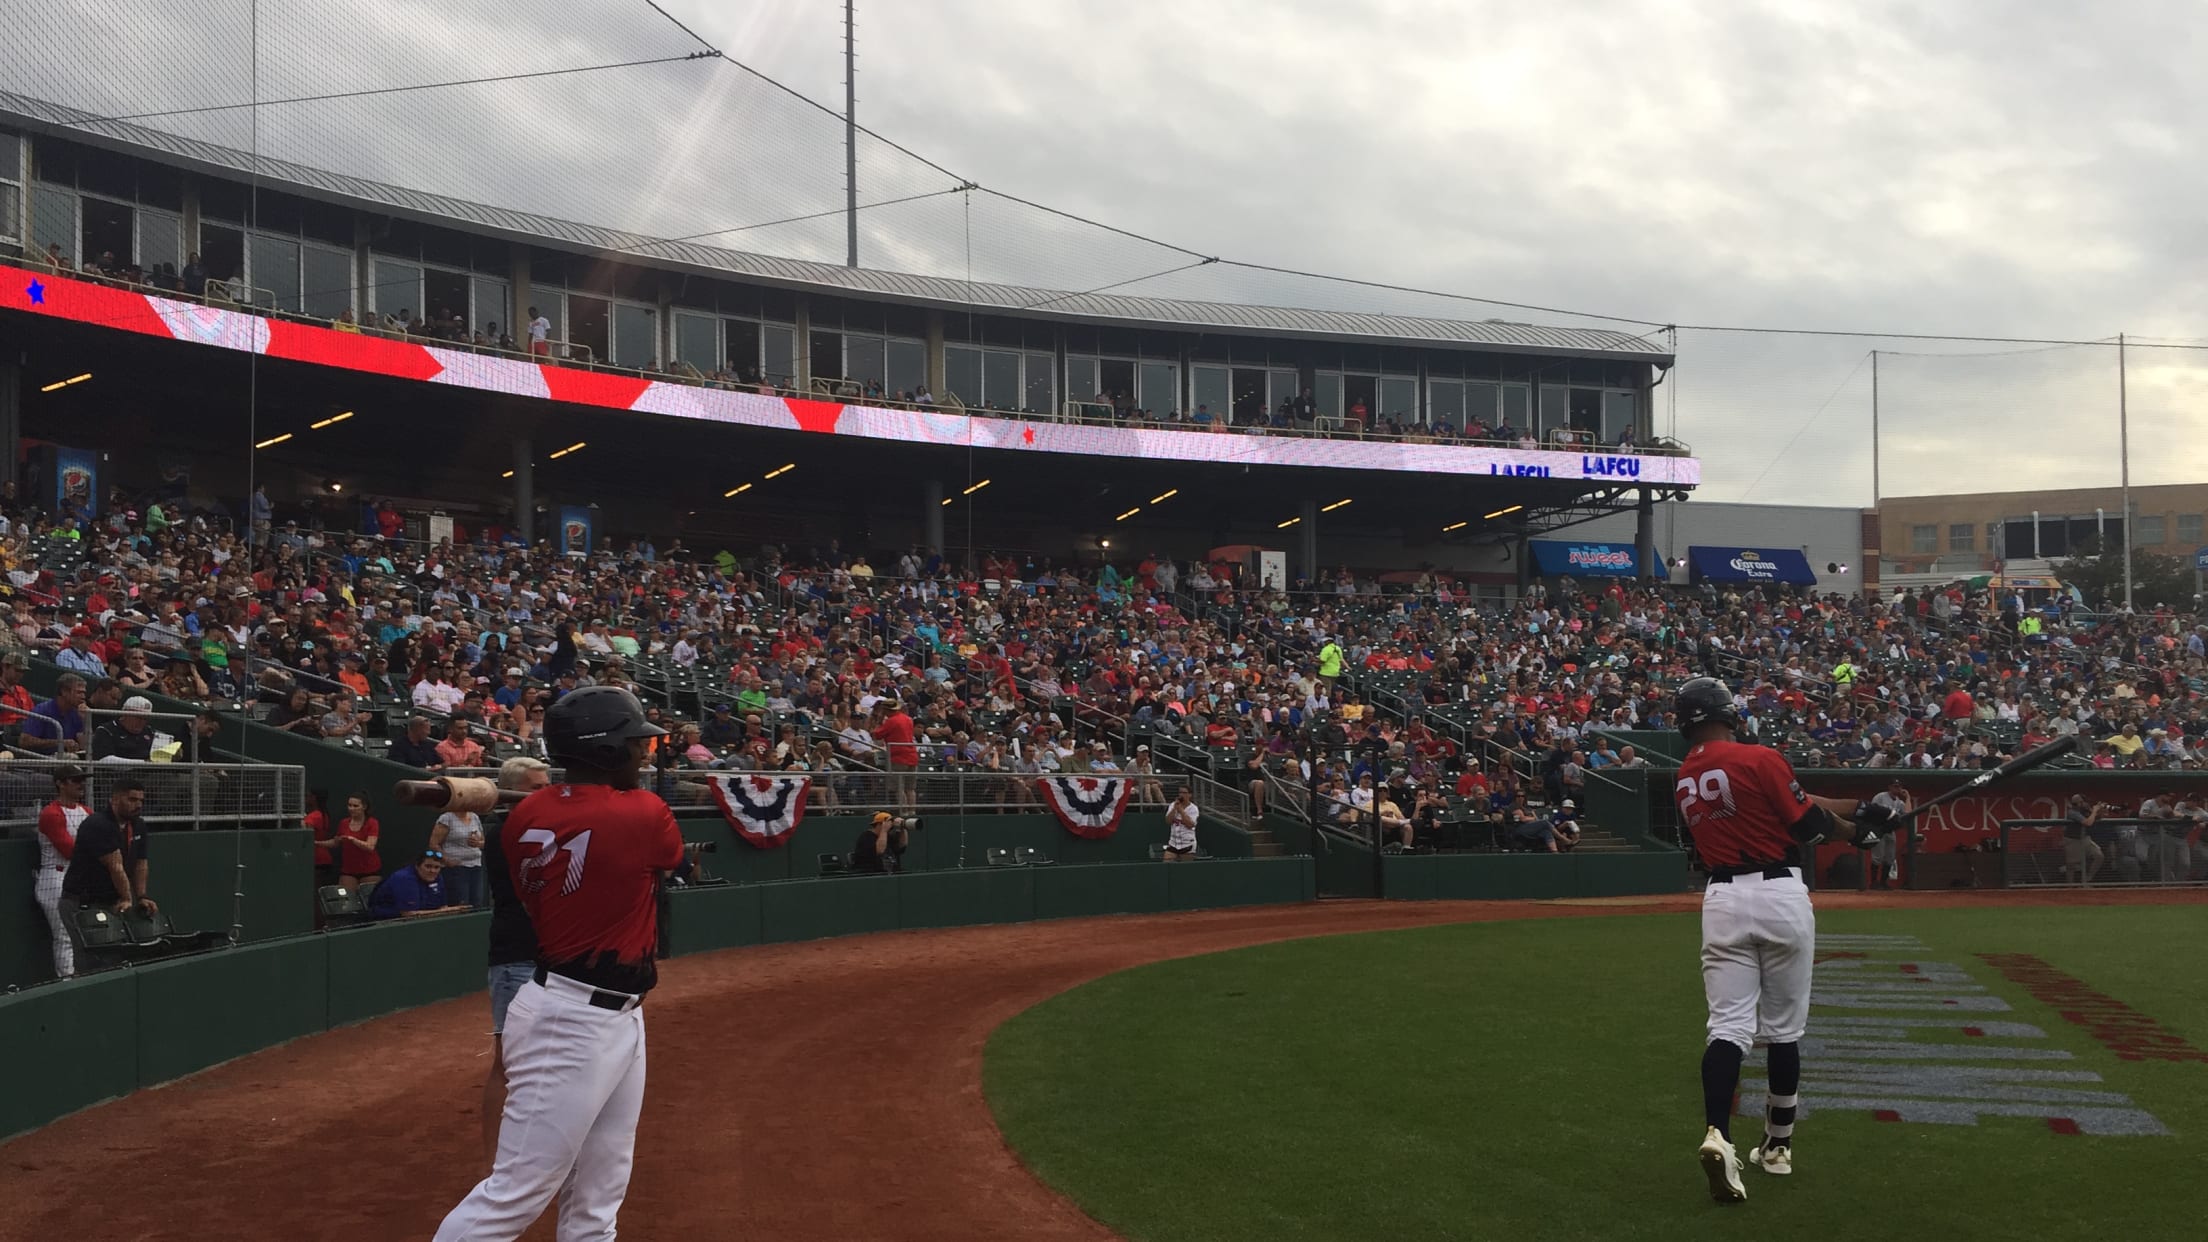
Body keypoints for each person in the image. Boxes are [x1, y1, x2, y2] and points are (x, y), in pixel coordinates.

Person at [433, 685, 679, 1242]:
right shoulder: (644, 813)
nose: (644, 754)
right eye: (634, 745)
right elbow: (664, 855)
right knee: (513, 1195)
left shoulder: (523, 818)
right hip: (569, 1020)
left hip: (614, 1013)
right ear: (606, 751)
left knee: (599, 1193)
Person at [1670, 676, 1893, 1202]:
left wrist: (1861, 809)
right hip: (1779, 895)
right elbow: (1806, 821)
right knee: (1784, 1031)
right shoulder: (1760, 756)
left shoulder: (1685, 774)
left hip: (1722, 899)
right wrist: (1856, 833)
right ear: (1729, 711)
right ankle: (1777, 1147)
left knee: (1727, 1028)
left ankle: (1717, 1136)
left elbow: (1790, 795)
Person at [480, 756, 555, 1162]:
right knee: (507, 1065)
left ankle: (535, 1151)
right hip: (515, 958)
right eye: (535, 787)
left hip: (549, 959)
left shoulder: (541, 828)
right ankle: (494, 1160)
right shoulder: (504, 832)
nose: (544, 794)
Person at [61, 776, 157, 928]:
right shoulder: (98, 824)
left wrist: (141, 897)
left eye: (141, 801)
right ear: (115, 799)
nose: (138, 805)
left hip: (111, 900)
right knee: (92, 949)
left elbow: (141, 863)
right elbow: (115, 866)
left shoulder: (138, 825)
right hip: (83, 901)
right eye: (132, 800)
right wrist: (127, 898)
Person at [35, 766, 91, 978]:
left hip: (79, 877)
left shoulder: (86, 811)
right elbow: (69, 851)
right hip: (55, 877)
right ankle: (66, 979)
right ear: (60, 783)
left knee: (83, 932)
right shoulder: (51, 812)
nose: (80, 784)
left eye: (82, 780)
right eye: (74, 780)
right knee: (64, 935)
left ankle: (83, 974)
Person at [433, 799, 489, 909]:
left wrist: (478, 843)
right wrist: (447, 860)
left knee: (477, 902)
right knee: (461, 903)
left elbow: (483, 842)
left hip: (476, 866)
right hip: (456, 869)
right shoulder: (447, 818)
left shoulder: (474, 817)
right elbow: (433, 845)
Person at [367, 851, 455, 918]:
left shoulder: (437, 876)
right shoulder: (404, 878)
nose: (432, 871)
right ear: (417, 866)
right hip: (388, 922)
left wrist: (446, 911)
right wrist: (448, 911)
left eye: (436, 867)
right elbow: (409, 914)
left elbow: (443, 906)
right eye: (428, 866)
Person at [1868, 778, 1912, 888]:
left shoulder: (1899, 802)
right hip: (1878, 829)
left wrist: (1908, 798)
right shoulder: (1880, 797)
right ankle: (1874, 882)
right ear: (1890, 787)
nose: (1897, 788)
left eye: (1899, 786)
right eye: (1895, 786)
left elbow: (1908, 813)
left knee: (1890, 857)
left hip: (1890, 831)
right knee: (1877, 857)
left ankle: (1883, 882)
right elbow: (1871, 810)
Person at [335, 792, 382, 889]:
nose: (351, 808)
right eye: (349, 805)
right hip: (348, 869)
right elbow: (336, 842)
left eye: (355, 806)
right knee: (347, 899)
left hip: (369, 869)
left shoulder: (372, 823)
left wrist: (353, 840)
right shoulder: (343, 823)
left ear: (364, 807)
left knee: (369, 899)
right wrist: (318, 843)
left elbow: (370, 846)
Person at [91, 695, 158, 761]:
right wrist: (144, 763)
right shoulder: (106, 730)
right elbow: (104, 760)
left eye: (146, 718)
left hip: (147, 771)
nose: (142, 722)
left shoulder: (149, 732)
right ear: (125, 714)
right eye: (138, 717)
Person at [2062, 794, 2106, 885]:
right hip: (2072, 840)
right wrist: (2094, 811)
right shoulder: (2072, 812)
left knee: (2099, 856)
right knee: (2071, 866)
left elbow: (2098, 817)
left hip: (2084, 838)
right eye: (2081, 802)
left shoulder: (2084, 809)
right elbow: (2088, 823)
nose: (2083, 804)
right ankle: (2070, 888)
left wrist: (2099, 809)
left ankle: (2088, 879)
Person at [1164, 786, 1200, 859]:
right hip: (1173, 842)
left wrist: (1181, 810)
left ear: (1189, 795)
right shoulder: (1173, 805)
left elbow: (1190, 825)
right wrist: (1174, 808)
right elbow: (1168, 821)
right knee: (1167, 862)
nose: (1181, 795)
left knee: (1185, 867)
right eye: (1180, 792)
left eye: (1184, 793)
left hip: (1187, 843)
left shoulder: (1193, 808)